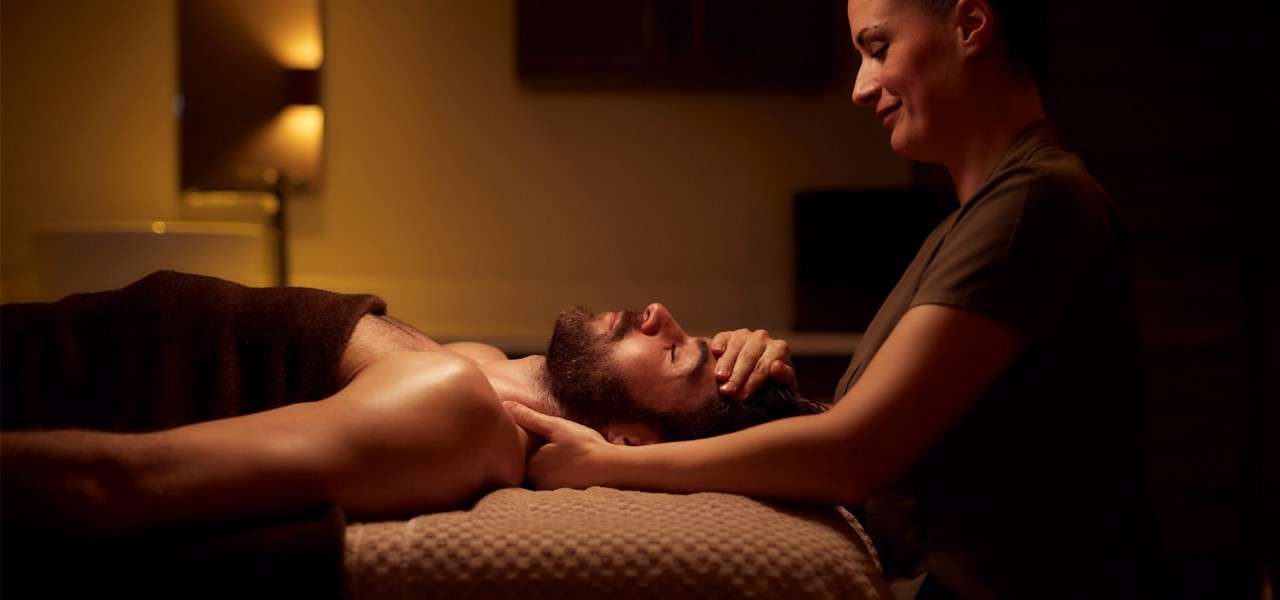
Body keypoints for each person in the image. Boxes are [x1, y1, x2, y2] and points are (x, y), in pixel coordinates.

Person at [504, 0, 1160, 597]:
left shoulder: (1033, 204)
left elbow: (853, 456)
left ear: (970, 25)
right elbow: (901, 440)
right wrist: (772, 400)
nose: (861, 87)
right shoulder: (973, 221)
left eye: (878, 48)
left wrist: (608, 466)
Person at [0, 271, 821, 539]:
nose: (660, 314)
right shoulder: (484, 370)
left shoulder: (457, 415)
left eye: (675, 353)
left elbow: (122, 483)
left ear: (629, 442)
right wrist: (759, 371)